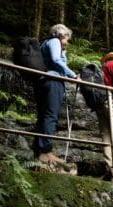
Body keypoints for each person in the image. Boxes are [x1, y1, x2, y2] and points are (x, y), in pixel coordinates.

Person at [32, 24, 77, 164]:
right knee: (51, 115)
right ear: (61, 35)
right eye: (67, 38)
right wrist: (73, 75)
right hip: (53, 81)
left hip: (43, 81)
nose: (67, 42)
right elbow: (56, 60)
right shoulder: (55, 42)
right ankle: (45, 151)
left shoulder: (46, 43)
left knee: (44, 115)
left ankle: (38, 149)